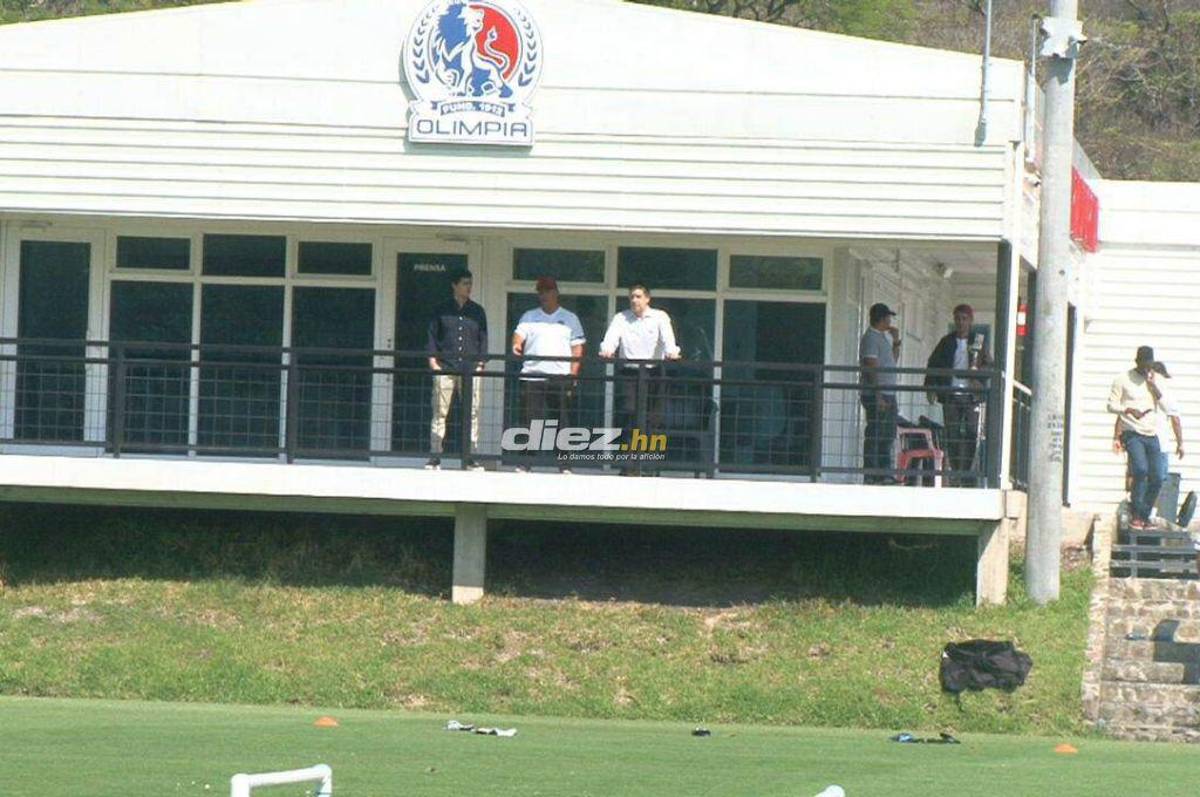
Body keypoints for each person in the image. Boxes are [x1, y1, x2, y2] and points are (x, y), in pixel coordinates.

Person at [599, 284, 680, 474]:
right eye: (632, 297)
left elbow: (669, 340)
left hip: (654, 372)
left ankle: (648, 465)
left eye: (638, 296)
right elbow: (611, 339)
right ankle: (630, 466)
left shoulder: (660, 317)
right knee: (630, 415)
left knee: (653, 419)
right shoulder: (621, 318)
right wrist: (607, 350)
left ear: (647, 299)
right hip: (630, 373)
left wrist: (672, 352)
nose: (634, 300)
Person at [511, 276, 585, 472]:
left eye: (547, 291)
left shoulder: (570, 318)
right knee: (530, 421)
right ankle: (525, 463)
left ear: (556, 293)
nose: (544, 295)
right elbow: (519, 336)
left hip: (559, 377)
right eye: (541, 292)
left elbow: (577, 349)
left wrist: (572, 375)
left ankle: (564, 465)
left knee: (561, 421)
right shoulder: (529, 316)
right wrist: (516, 345)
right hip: (532, 375)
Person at [425, 267, 488, 470]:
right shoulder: (441, 309)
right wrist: (433, 363)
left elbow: (483, 339)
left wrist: (480, 364)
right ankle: (435, 456)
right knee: (440, 412)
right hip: (445, 367)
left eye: (470, 283)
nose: (468, 287)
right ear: (455, 285)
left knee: (472, 413)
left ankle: (471, 456)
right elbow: (432, 336)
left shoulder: (477, 311)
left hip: (471, 369)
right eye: (465, 283)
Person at [924, 304, 991, 486]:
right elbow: (934, 363)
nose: (961, 323)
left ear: (970, 321)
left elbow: (987, 364)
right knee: (952, 433)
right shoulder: (946, 342)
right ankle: (955, 471)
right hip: (951, 394)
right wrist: (930, 386)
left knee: (970, 433)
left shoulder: (978, 340)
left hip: (971, 396)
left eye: (964, 319)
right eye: (958, 319)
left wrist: (978, 379)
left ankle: (966, 474)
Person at [1113, 360, 1183, 523]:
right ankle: (1139, 512)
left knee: (1152, 477)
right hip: (1144, 439)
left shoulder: (1162, 394)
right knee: (1143, 474)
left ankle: (1143, 512)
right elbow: (1123, 415)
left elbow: (1173, 416)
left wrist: (1116, 437)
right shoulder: (1141, 391)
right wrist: (1117, 437)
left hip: (1158, 442)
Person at [1108, 345, 1165, 529]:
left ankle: (1144, 515)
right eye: (1144, 364)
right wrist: (1128, 409)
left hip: (1151, 432)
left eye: (1150, 365)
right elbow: (1111, 405)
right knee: (1140, 470)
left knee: (1157, 475)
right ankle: (1136, 512)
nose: (1147, 368)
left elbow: (1163, 401)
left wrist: (1152, 384)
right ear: (1137, 362)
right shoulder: (1123, 379)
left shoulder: (1153, 380)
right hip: (1132, 432)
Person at [860, 302, 901, 484]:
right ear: (882, 318)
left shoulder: (882, 338)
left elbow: (892, 361)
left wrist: (896, 341)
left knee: (887, 434)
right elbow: (870, 368)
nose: (890, 321)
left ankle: (884, 473)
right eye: (888, 317)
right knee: (876, 433)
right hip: (878, 394)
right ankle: (872, 473)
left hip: (888, 392)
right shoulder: (870, 338)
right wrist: (877, 395)